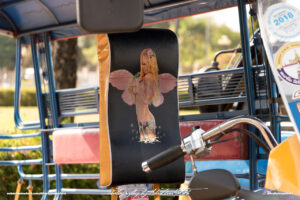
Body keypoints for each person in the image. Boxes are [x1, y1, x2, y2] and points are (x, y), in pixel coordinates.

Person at [127, 49, 161, 143]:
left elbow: (146, 99)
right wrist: (134, 87)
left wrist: (136, 88)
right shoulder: (142, 78)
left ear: (152, 64)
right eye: (142, 64)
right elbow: (135, 98)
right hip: (142, 120)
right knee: (148, 145)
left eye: (146, 64)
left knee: (150, 146)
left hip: (146, 120)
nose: (144, 67)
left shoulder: (149, 77)